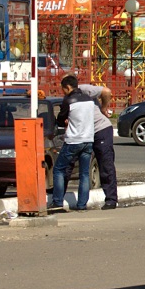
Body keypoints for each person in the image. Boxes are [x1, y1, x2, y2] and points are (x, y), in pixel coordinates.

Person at [51, 74, 98, 211]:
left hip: (73, 140)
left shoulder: (69, 100)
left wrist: (64, 120)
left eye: (63, 89)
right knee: (84, 173)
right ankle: (82, 204)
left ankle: (58, 201)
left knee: (59, 169)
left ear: (67, 87)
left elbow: (61, 119)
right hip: (88, 139)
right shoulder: (90, 100)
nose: (63, 92)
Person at [82, 83, 117, 210]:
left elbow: (106, 91)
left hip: (100, 130)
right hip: (85, 133)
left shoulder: (83, 89)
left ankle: (111, 199)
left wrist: (103, 107)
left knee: (105, 165)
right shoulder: (70, 98)